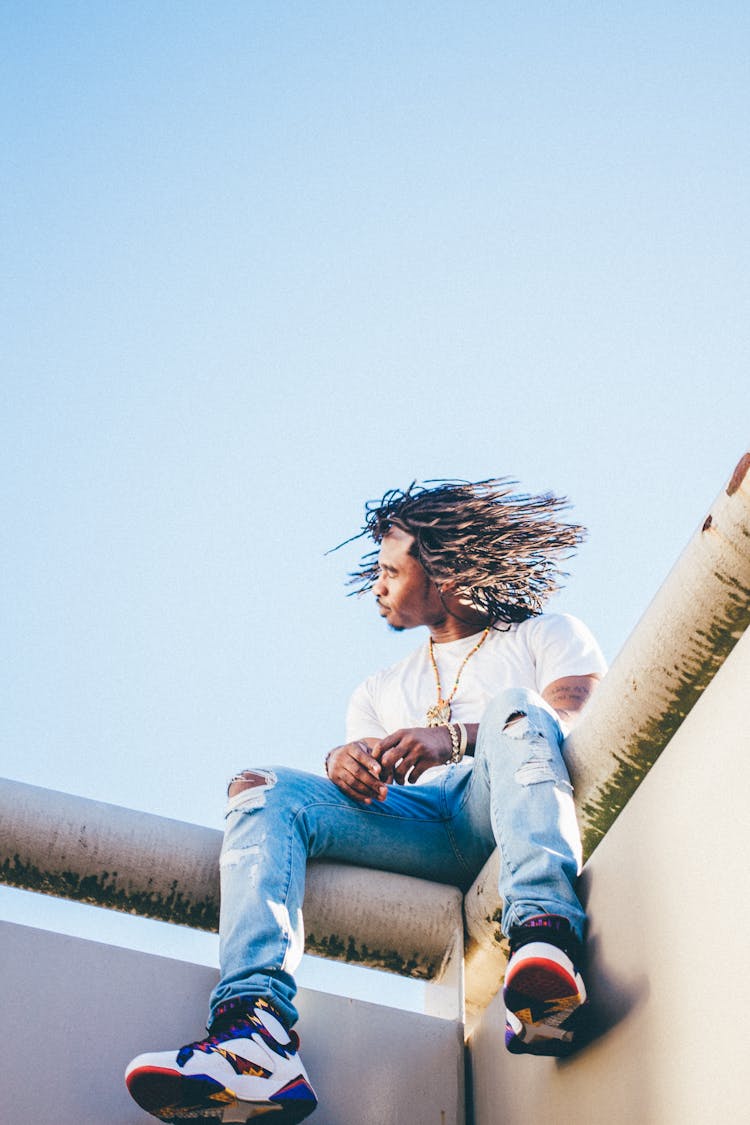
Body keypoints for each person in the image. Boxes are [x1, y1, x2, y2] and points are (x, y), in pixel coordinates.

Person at [125, 479, 607, 1123]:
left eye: (390, 571)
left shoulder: (544, 634)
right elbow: (372, 787)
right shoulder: (379, 689)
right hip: (420, 829)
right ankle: (254, 1037)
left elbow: (578, 719)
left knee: (516, 706)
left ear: (446, 571)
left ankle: (544, 942)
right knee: (262, 787)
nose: (376, 587)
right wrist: (343, 766)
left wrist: (455, 738)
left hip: (500, 804)